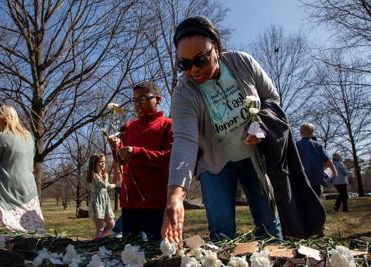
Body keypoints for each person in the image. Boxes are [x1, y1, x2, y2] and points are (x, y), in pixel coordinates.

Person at [162, 16, 283, 245]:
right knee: (221, 235)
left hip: (254, 157)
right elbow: (185, 141)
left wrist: (258, 126)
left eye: (200, 59)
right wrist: (176, 195)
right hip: (215, 165)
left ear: (216, 48)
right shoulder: (184, 93)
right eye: (184, 64)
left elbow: (272, 99)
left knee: (269, 226)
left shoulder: (242, 63)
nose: (194, 70)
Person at [108, 81, 173, 241]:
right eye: (135, 100)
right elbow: (123, 162)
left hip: (155, 200)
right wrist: (116, 149)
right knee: (130, 250)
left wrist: (137, 152)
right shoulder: (129, 126)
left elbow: (170, 158)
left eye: (142, 99)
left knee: (157, 249)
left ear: (157, 99)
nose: (137, 104)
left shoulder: (167, 125)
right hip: (130, 200)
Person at [0, 105, 44, 233]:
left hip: (5, 189)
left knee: (0, 230)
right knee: (30, 229)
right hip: (27, 188)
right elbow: (30, 162)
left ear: (4, 119)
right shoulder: (29, 138)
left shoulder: (1, 137)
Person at [296, 123, 337, 198]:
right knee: (316, 201)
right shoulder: (318, 145)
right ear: (312, 133)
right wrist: (334, 172)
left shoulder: (295, 146)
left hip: (300, 179)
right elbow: (328, 161)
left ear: (300, 133)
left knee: (303, 202)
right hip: (316, 179)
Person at [87, 153, 116, 239]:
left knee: (111, 224)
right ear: (94, 163)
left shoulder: (101, 175)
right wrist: (108, 178)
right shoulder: (94, 176)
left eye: (104, 162)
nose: (103, 163)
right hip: (97, 204)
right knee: (100, 228)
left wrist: (114, 184)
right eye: (100, 162)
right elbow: (105, 186)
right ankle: (97, 244)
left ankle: (98, 240)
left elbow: (106, 186)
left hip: (105, 204)